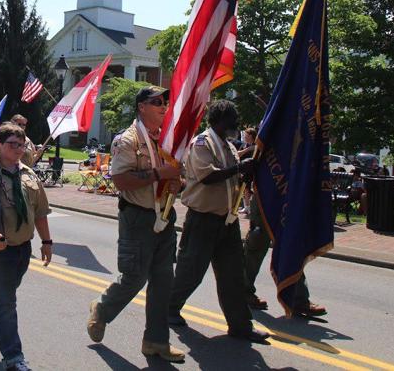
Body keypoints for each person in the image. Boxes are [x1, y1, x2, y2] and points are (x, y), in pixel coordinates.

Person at [86, 86, 185, 362]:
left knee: (163, 281)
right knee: (134, 277)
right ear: (142, 106)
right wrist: (158, 173)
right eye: (157, 102)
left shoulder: (166, 140)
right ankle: (101, 309)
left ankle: (156, 341)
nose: (164, 107)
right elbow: (120, 180)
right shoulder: (127, 139)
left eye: (165, 102)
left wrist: (178, 181)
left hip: (164, 215)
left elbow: (172, 172)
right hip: (137, 216)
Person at [167, 100, 269, 343]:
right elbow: (207, 176)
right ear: (218, 120)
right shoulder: (202, 143)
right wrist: (237, 169)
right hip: (202, 220)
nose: (236, 123)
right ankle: (169, 308)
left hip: (227, 220)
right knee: (191, 272)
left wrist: (247, 170)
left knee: (233, 275)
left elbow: (233, 175)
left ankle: (240, 325)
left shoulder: (228, 146)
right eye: (232, 118)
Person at [0, 122, 53, 371]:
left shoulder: (29, 174)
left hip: (22, 249)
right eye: (12, 144)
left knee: (1, 295)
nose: (18, 149)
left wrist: (46, 241)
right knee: (6, 302)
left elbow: (40, 212)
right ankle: (13, 358)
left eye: (21, 144)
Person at [242, 191, 327, 317]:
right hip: (263, 194)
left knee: (290, 249)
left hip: (289, 197)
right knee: (257, 243)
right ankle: (243, 292)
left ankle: (298, 299)